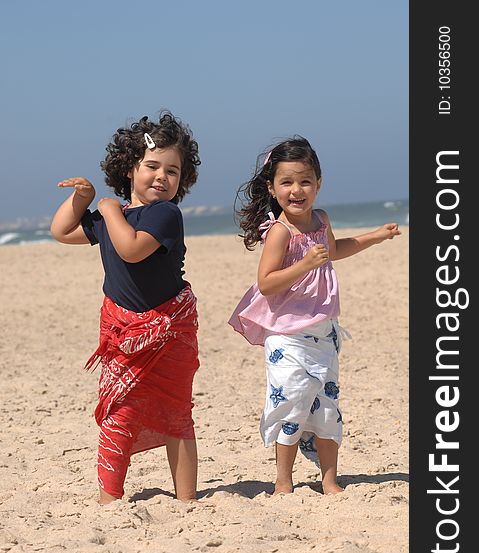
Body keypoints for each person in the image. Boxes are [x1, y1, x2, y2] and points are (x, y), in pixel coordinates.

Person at [228, 136, 401, 495]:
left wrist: (376, 236)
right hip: (286, 335)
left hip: (324, 331)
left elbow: (336, 250)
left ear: (319, 184)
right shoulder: (280, 232)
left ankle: (330, 480)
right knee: (290, 399)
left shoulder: (320, 220)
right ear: (272, 188)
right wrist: (305, 265)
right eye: (287, 182)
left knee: (326, 405)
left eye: (305, 181)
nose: (296, 189)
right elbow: (266, 283)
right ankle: (283, 482)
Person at [50, 111, 201, 505]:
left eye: (173, 170)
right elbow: (62, 232)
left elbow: (132, 249)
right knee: (118, 412)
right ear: (129, 168)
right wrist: (83, 200)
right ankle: (109, 497)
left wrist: (110, 208)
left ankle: (187, 499)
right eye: (152, 166)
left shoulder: (164, 214)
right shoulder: (110, 218)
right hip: (123, 333)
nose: (162, 177)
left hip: (169, 330)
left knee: (176, 414)